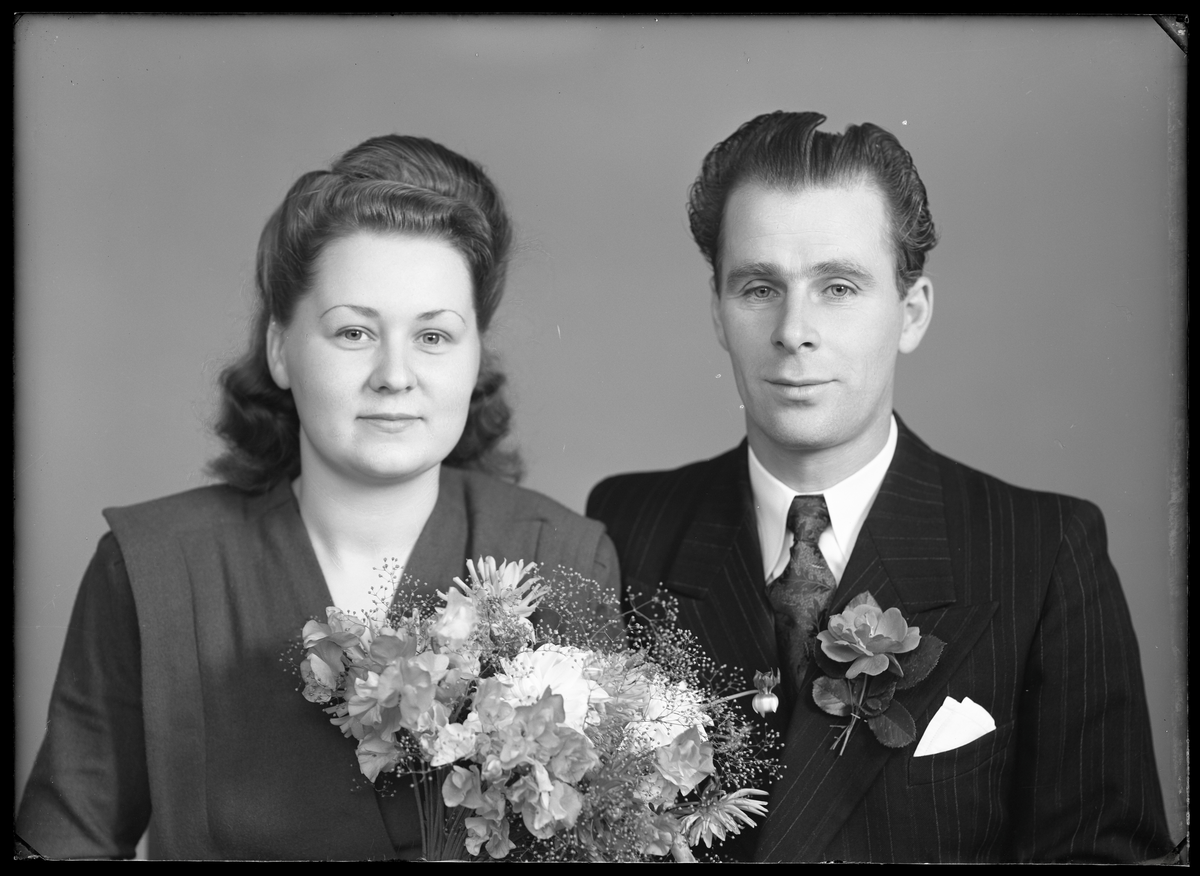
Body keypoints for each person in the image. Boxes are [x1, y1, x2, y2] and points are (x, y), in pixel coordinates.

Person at [586, 111, 1173, 863]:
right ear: (718, 313)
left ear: (912, 313)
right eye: (760, 288)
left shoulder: (1044, 550)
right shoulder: (625, 525)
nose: (794, 330)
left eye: (838, 286)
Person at [17, 135, 620, 860]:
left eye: (434, 336)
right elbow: (65, 841)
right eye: (354, 332)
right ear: (280, 348)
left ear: (474, 359)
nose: (394, 374)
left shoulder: (560, 554)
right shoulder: (153, 569)